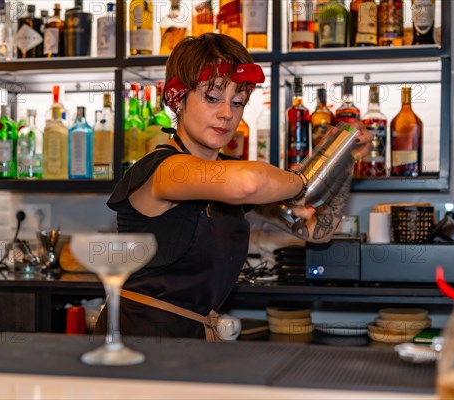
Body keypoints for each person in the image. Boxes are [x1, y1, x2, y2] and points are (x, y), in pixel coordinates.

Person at [97, 33, 373, 340]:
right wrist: (303, 182)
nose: (227, 113)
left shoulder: (226, 176)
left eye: (238, 101)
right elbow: (249, 182)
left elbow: (317, 230)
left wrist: (346, 159)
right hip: (140, 341)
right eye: (212, 98)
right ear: (178, 98)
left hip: (192, 341)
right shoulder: (165, 169)